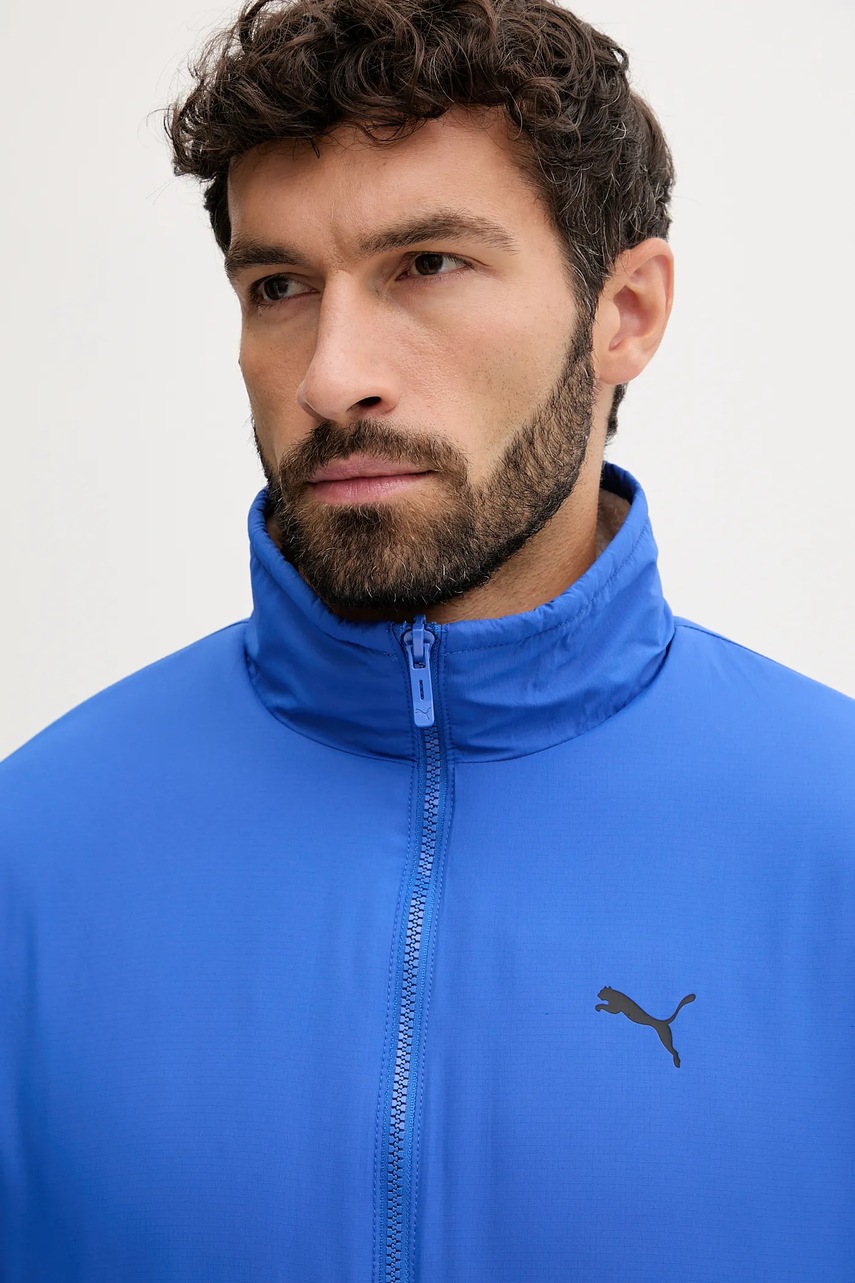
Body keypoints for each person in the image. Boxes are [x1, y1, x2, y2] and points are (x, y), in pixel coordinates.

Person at [1, 0, 852, 1278]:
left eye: (428, 264)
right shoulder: (27, 850)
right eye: (280, 287)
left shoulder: (836, 836)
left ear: (624, 311)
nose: (330, 374)